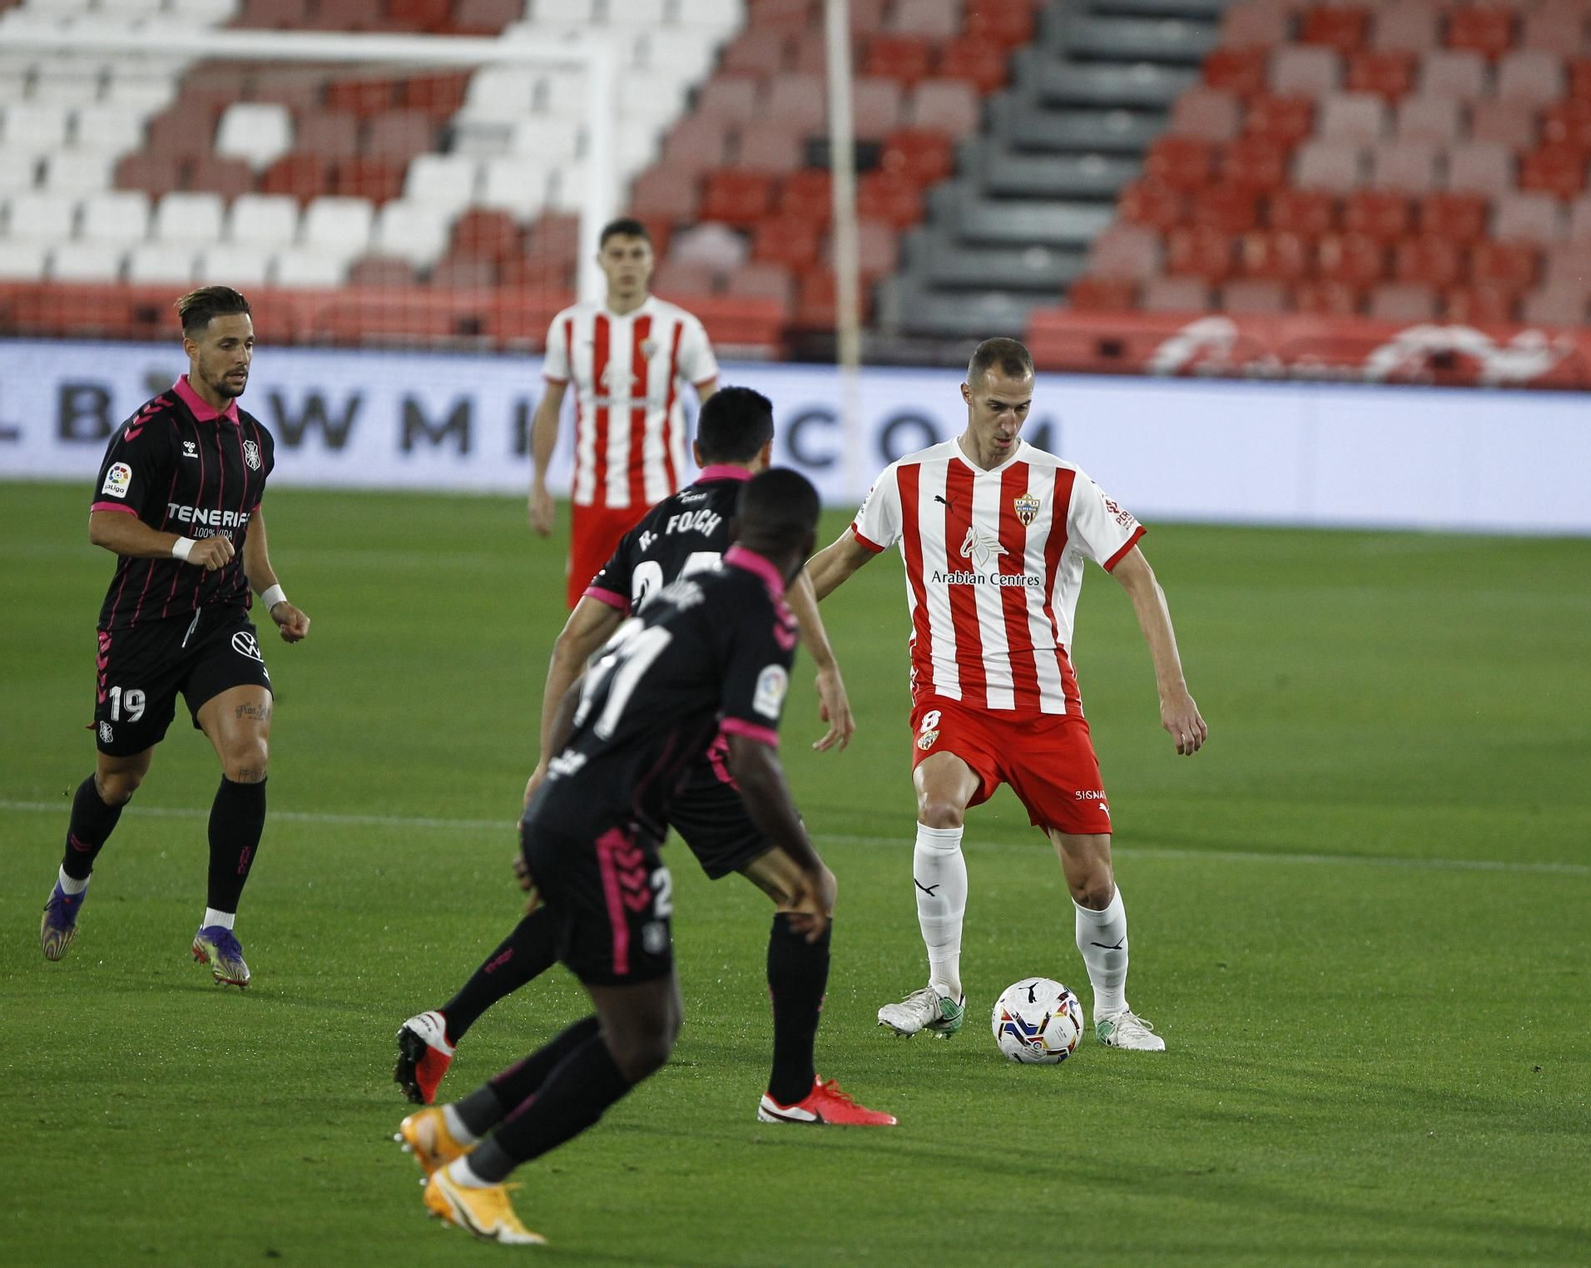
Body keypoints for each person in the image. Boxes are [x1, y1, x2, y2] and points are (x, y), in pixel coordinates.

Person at [395, 388, 891, 1128]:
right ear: (767, 453)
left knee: (581, 906)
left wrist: (545, 761)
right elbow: (781, 579)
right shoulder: (755, 516)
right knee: (807, 892)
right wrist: (826, 666)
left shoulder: (654, 524)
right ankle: (791, 1091)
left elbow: (573, 642)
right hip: (699, 749)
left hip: (614, 749)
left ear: (694, 453)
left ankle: (444, 1025)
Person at [396, 469, 839, 1244]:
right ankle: (474, 1178)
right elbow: (754, 759)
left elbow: (582, 680)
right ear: (801, 548)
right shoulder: (761, 618)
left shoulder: (677, 597)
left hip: (574, 808)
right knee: (641, 1039)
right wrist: (802, 863)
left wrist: (550, 803)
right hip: (604, 827)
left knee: (643, 1020)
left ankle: (451, 1130)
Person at [806, 337, 1207, 1051]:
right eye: (997, 407)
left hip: (1046, 709)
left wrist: (1172, 690)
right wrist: (756, 613)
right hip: (952, 699)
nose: (1009, 423)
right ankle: (943, 989)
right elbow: (837, 561)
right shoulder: (907, 481)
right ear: (966, 397)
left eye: (1022, 409)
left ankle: (1113, 1010)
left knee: (1090, 880)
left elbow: (1139, 576)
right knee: (937, 804)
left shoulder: (1064, 486)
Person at [38, 285, 310, 988]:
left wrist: (274, 597)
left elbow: (247, 521)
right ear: (190, 348)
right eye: (227, 344)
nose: (242, 357)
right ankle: (72, 881)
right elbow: (104, 523)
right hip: (143, 625)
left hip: (221, 621)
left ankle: (218, 925)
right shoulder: (148, 431)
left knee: (248, 755)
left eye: (249, 343)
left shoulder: (254, 441)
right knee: (118, 779)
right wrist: (186, 546)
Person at [529, 216, 720, 608]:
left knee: (653, 615)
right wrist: (538, 480)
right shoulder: (569, 327)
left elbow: (714, 410)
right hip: (590, 499)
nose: (627, 264)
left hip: (657, 498)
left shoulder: (681, 329)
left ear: (651, 261)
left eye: (637, 254)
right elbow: (550, 407)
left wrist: (719, 484)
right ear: (600, 261)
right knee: (584, 625)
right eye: (617, 255)